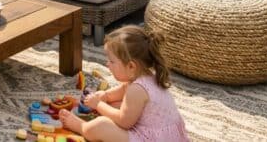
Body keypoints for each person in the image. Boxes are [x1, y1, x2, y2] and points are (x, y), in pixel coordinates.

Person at [58, 25, 189, 142]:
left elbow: (123, 122)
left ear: (131, 66)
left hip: (149, 138)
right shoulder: (146, 77)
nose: (107, 64)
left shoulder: (137, 89)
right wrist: (104, 95)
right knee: (115, 104)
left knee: (102, 125)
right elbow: (119, 92)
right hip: (164, 136)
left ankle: (81, 126)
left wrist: (98, 104)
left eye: (112, 61)